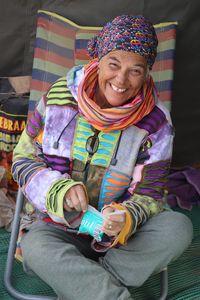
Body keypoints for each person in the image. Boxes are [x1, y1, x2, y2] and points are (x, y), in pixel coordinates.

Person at [12, 15, 193, 300]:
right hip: (57, 227)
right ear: (97, 60)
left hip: (121, 240)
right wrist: (58, 188)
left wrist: (126, 215)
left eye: (135, 70)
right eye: (114, 64)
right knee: (36, 248)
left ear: (147, 73)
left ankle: (84, 283)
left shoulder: (156, 122)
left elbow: (150, 192)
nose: (121, 80)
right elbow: (23, 160)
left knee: (177, 228)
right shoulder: (59, 98)